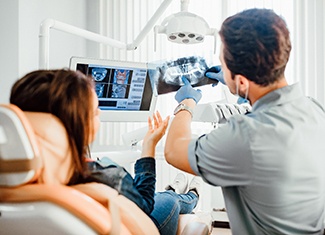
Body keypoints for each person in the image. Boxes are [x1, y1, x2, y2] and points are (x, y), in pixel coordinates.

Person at [164, 8, 325, 235]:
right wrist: (245, 92)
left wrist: (186, 104)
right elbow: (270, 118)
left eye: (224, 63)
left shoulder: (244, 137)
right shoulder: (314, 109)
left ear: (241, 80)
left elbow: (173, 150)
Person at [9, 69, 202, 235]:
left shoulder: (16, 183)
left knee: (163, 195)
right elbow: (144, 205)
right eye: (95, 111)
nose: (100, 113)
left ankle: (177, 189)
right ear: (79, 125)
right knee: (168, 200)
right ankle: (192, 196)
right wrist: (149, 145)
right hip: (140, 220)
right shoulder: (107, 178)